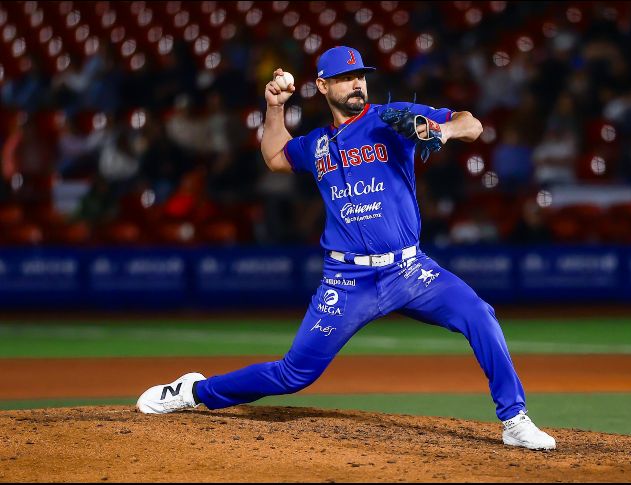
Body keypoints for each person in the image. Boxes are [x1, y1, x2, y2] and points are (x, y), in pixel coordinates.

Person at [136, 46, 556, 451]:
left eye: (360, 76)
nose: (357, 84)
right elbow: (276, 157)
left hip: (408, 271)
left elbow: (472, 123)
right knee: (293, 374)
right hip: (347, 279)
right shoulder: (318, 143)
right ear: (322, 86)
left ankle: (514, 419)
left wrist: (442, 130)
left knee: (478, 314)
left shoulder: (392, 120)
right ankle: (193, 391)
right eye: (345, 78)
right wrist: (276, 106)